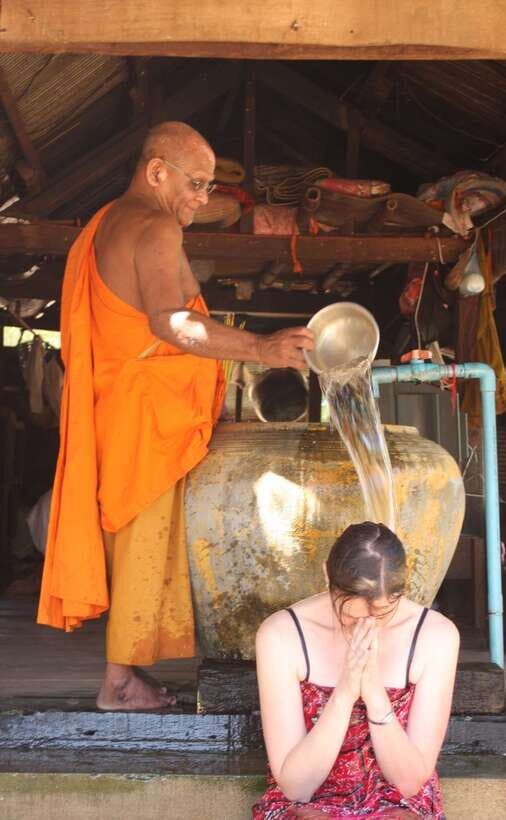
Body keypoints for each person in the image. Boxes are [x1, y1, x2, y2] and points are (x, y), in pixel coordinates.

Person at [37, 121, 314, 711]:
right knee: (143, 544)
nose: (203, 200)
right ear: (157, 171)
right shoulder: (154, 223)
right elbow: (172, 324)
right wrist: (262, 350)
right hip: (147, 416)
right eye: (196, 184)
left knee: (139, 543)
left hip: (130, 409)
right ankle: (117, 683)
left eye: (210, 187)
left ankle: (123, 675)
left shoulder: (106, 223)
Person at [253, 522, 459, 819]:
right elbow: (297, 787)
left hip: (398, 801)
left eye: (382, 613)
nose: (366, 626)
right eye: (350, 615)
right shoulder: (281, 634)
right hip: (307, 800)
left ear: (399, 593)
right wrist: (345, 692)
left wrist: (374, 692)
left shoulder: (435, 635)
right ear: (327, 575)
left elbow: (409, 782)